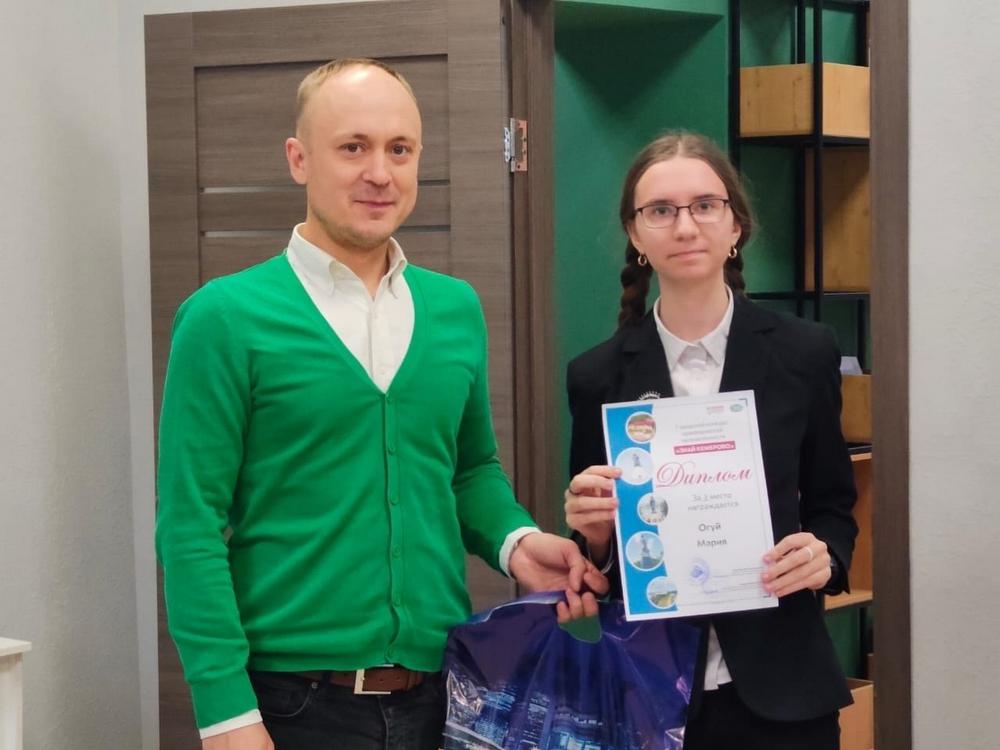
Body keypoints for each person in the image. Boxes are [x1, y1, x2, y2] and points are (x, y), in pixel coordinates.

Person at [156, 58, 606, 750]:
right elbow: (190, 525)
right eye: (353, 147)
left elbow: (470, 470)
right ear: (299, 159)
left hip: (441, 697)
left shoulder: (454, 309)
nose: (380, 173)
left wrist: (516, 542)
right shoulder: (223, 318)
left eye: (400, 149)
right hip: (292, 707)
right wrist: (225, 714)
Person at [559, 132, 858, 749]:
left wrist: (824, 556)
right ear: (636, 235)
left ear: (735, 226)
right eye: (660, 211)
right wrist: (593, 535)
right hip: (650, 694)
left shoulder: (804, 352)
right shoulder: (597, 375)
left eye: (704, 205)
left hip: (784, 689)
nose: (685, 226)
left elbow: (833, 504)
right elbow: (600, 557)